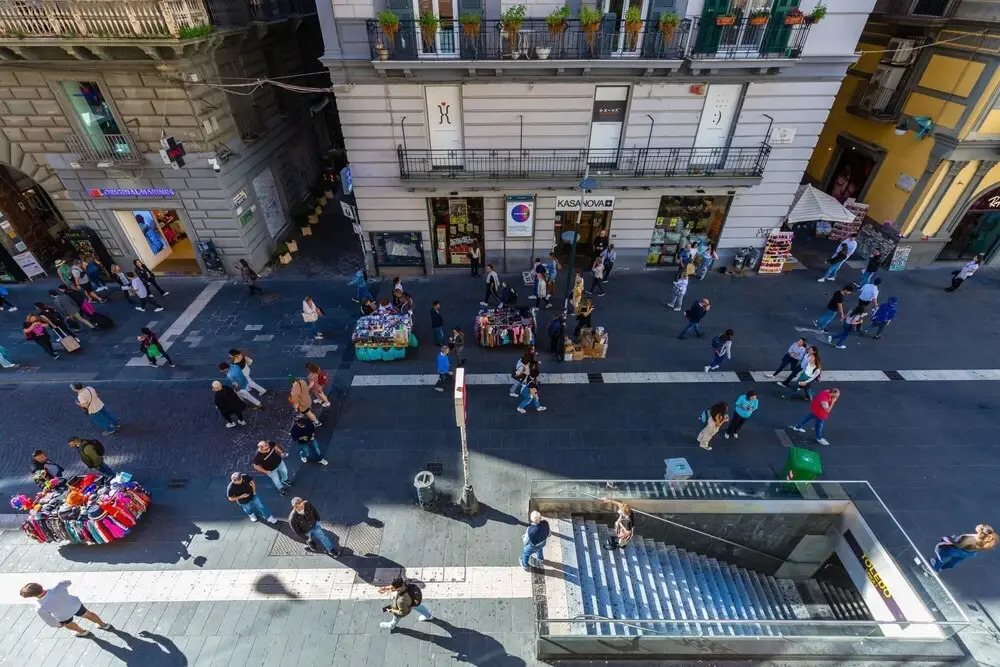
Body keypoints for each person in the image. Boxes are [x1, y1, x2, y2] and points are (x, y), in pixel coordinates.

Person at [20, 581, 112, 638]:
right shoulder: (58, 587)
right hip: (74, 605)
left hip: (63, 616)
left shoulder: (40, 607)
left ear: (32, 596)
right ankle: (103, 625)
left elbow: (49, 620)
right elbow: (68, 582)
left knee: (69, 624)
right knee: (89, 614)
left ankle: (82, 632)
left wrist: (58, 625)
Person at [931, 524, 997, 572]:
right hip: (969, 554)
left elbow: (959, 546)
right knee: (954, 561)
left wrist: (950, 540)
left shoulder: (970, 539)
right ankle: (942, 568)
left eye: (979, 526)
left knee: (942, 555)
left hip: (958, 551)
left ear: (980, 531)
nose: (977, 525)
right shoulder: (985, 541)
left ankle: (936, 569)